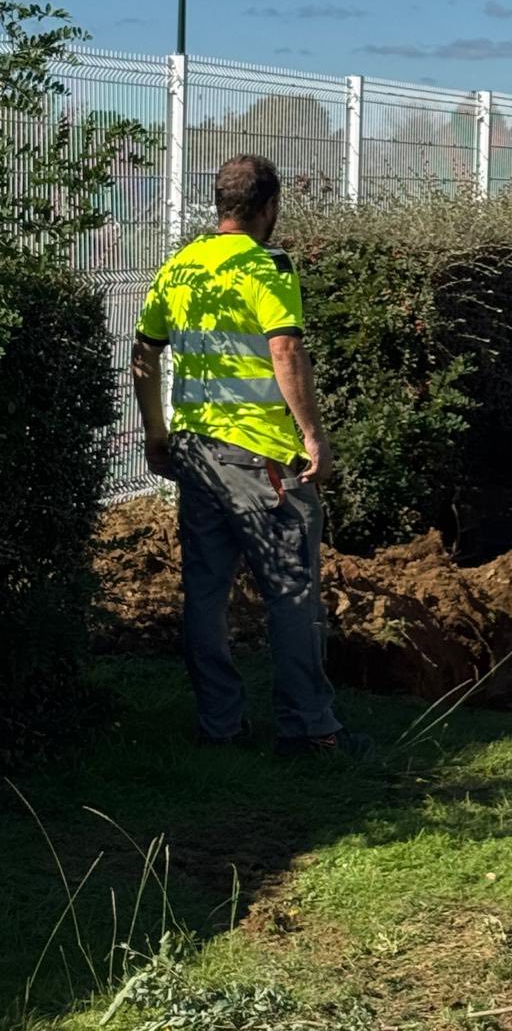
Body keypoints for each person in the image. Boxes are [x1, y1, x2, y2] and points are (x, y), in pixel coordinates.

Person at [131, 154, 370, 758]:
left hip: (193, 452)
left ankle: (219, 727)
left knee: (206, 593)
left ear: (220, 204)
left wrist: (155, 434)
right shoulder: (266, 266)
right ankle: (310, 728)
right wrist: (312, 434)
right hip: (256, 454)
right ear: (269, 208)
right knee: (290, 589)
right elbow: (285, 350)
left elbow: (143, 353)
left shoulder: (180, 266)